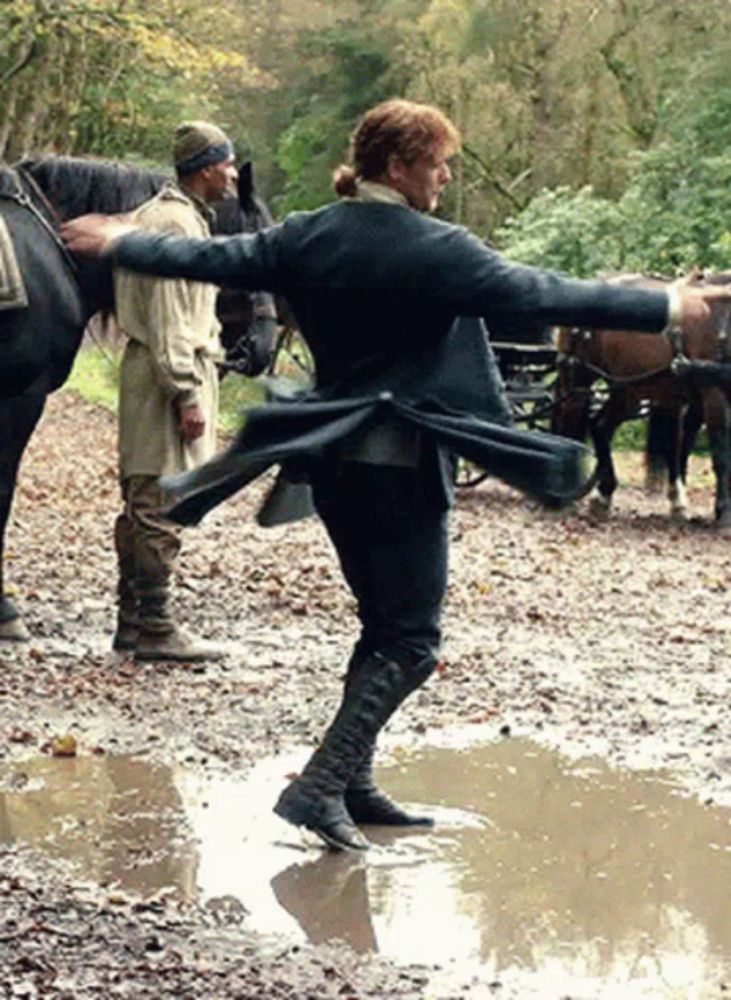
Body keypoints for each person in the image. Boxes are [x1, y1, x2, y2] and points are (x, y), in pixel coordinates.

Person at [61, 99, 731, 849]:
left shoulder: (308, 233)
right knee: (411, 641)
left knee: (380, 626)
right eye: (438, 162)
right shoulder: (437, 248)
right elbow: (541, 292)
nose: (445, 176)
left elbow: (211, 259)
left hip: (326, 462)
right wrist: (666, 302)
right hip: (403, 463)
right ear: (400, 164)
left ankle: (355, 781)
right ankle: (319, 786)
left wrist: (121, 239)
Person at [111, 121, 237, 662]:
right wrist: (186, 392)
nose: (233, 174)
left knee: (145, 498)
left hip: (160, 370)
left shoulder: (172, 218)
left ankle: (134, 620)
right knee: (160, 500)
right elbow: (170, 318)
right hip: (167, 376)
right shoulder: (173, 225)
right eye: (228, 163)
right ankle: (155, 626)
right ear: (207, 166)